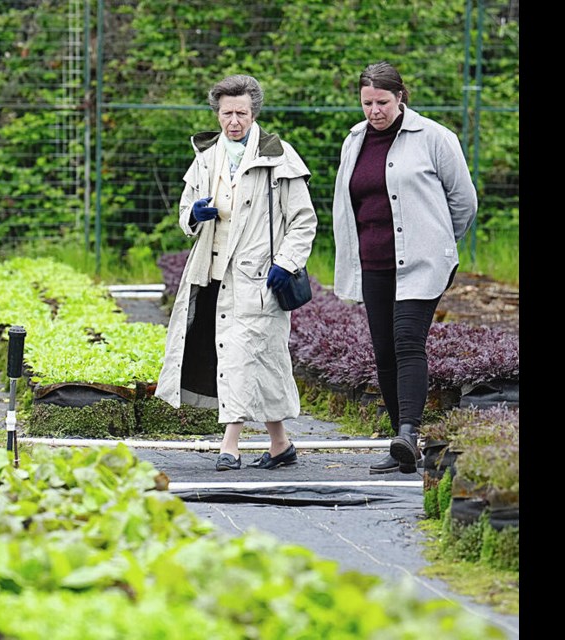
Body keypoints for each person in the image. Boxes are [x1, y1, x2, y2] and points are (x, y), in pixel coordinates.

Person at [155, 74, 318, 471]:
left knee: (246, 357)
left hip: (259, 277)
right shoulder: (206, 158)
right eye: (226, 113)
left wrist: (286, 263)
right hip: (211, 277)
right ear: (217, 114)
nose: (233, 121)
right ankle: (280, 445)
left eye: (241, 113)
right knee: (250, 359)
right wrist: (193, 216)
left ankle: (229, 445)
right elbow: (184, 213)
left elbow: (303, 220)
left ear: (253, 112)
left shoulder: (278, 156)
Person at [332, 62, 477, 474]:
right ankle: (403, 444)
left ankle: (409, 432)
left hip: (422, 261)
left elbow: (463, 202)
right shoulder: (354, 141)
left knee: (407, 341)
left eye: (381, 102)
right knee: (384, 352)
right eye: (366, 103)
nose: (374, 111)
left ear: (400, 97)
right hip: (374, 262)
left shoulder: (434, 138)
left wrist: (441, 243)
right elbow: (349, 205)